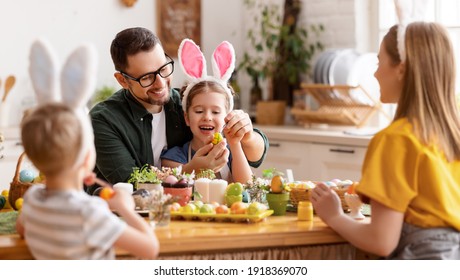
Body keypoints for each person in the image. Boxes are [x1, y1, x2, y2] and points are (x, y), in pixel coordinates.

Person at [311, 21, 460, 259]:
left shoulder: (395, 140)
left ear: (401, 69)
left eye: (379, 61)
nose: (375, 73)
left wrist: (334, 216)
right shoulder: (452, 134)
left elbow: (381, 241)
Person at [15, 39, 159, 260]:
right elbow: (150, 249)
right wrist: (126, 209)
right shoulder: (90, 213)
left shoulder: (33, 199)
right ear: (87, 157)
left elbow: (22, 229)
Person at [89, 27, 268, 191]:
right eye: (146, 77)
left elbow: (256, 155)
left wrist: (247, 134)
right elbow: (131, 186)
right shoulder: (103, 120)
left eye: (163, 69)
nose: (160, 83)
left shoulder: (183, 102)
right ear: (122, 80)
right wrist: (190, 171)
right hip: (121, 217)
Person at [161, 39, 253, 184]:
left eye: (216, 112)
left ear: (227, 117)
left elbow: (246, 185)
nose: (207, 117)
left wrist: (235, 144)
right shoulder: (174, 156)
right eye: (198, 111)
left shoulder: (232, 152)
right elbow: (173, 185)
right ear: (186, 118)